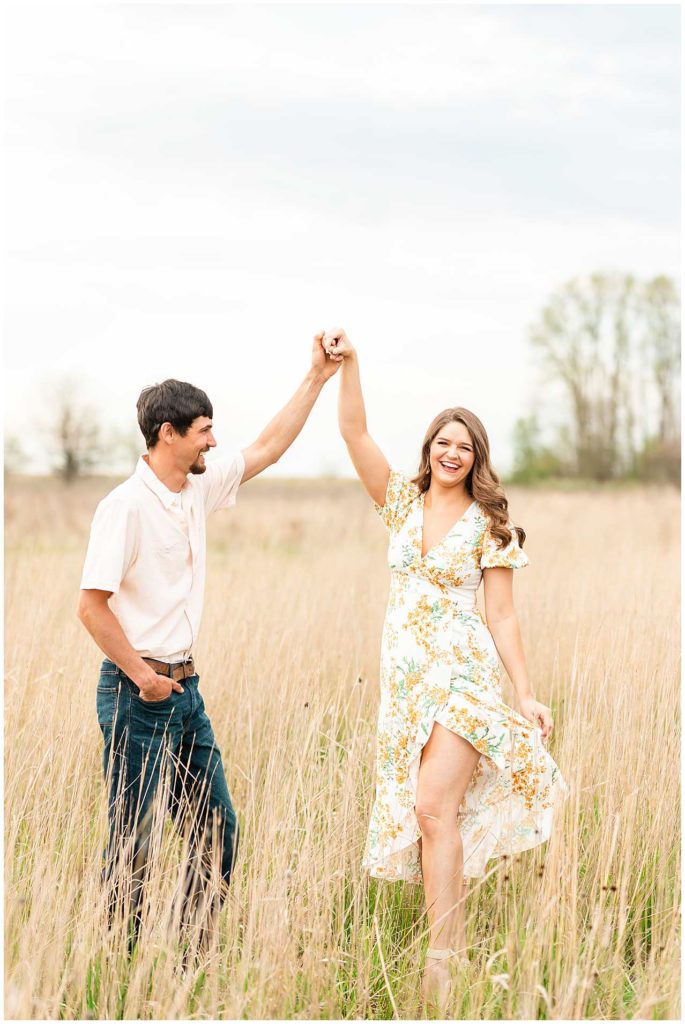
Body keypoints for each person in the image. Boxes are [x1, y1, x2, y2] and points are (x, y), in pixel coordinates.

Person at [323, 327, 569, 1012]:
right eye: (442, 442)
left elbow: (504, 616)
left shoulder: (489, 526)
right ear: (429, 451)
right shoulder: (400, 504)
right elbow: (353, 434)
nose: (452, 452)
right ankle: (446, 945)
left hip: (461, 679)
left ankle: (442, 961)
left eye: (464, 445)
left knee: (433, 807)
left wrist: (524, 691)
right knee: (432, 818)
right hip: (404, 686)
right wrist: (350, 364)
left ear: (476, 457)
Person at [77, 332, 340, 952]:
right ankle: (120, 967)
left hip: (186, 693)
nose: (213, 442)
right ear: (167, 434)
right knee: (133, 844)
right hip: (135, 694)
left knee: (218, 833)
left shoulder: (197, 487)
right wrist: (142, 676)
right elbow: (91, 608)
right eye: (203, 431)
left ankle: (187, 961)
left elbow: (269, 447)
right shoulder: (124, 508)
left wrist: (317, 377)